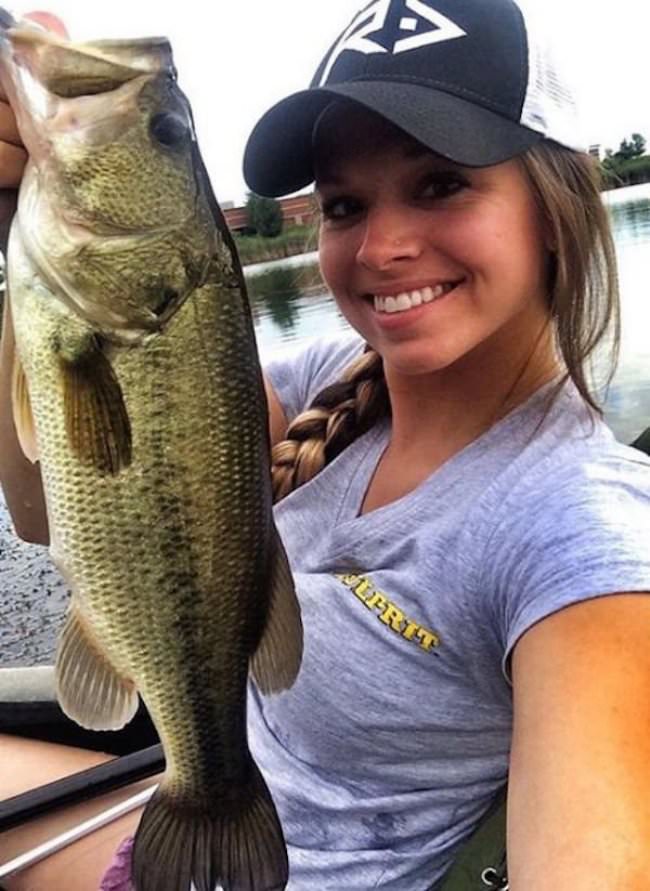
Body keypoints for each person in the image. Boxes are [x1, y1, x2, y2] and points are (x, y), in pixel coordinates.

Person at [1, 1, 650, 889]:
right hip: (191, 823)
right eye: (345, 203)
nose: (381, 246)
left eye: (439, 184)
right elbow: (54, 509)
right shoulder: (324, 383)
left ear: (554, 200)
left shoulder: (580, 536)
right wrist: (20, 220)